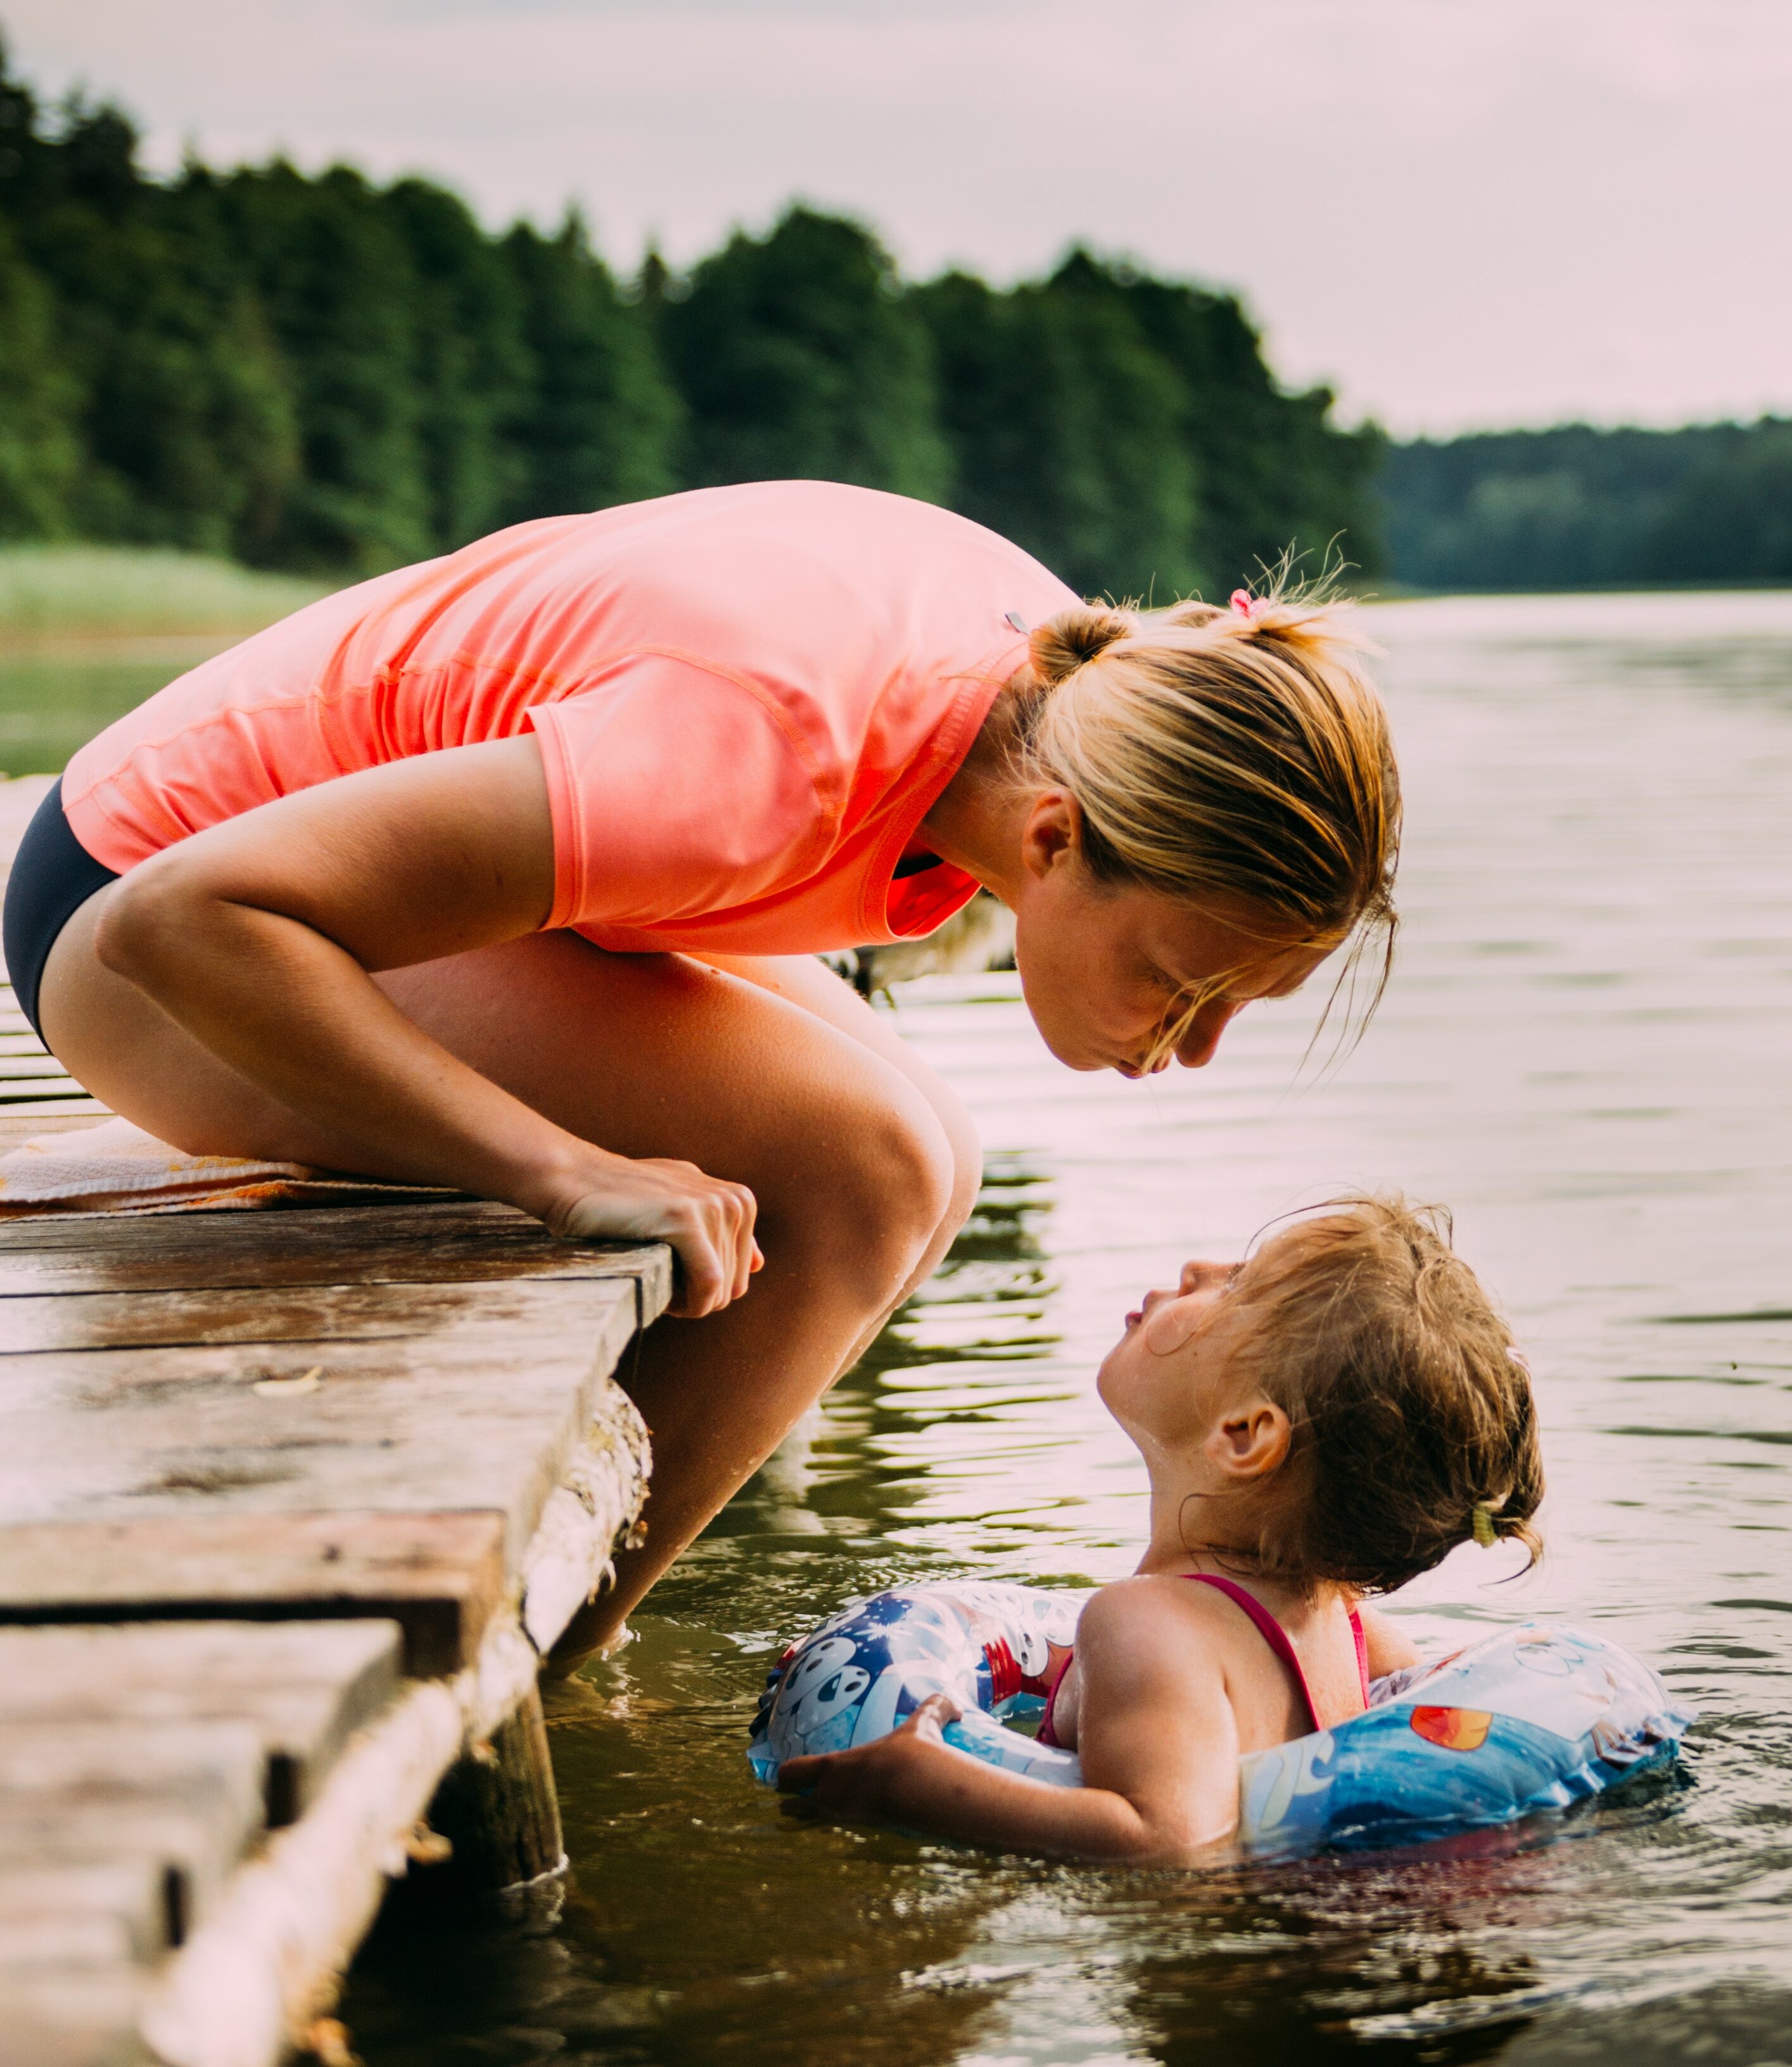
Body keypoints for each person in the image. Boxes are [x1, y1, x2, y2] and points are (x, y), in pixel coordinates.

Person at [1, 481, 1399, 1658]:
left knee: (937, 1149)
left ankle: (581, 1622)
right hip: (140, 935)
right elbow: (183, 917)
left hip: (300, 880)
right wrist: (555, 1171)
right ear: (1051, 841)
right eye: (1186, 980)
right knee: (871, 1168)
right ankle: (521, 1661)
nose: (1195, 1042)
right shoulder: (763, 758)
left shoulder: (1060, 687)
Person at [775, 1195, 1544, 1861]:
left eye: (1239, 1282)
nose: (1200, 1267)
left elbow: (1166, 1838)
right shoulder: (1350, 1630)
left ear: (1244, 1434)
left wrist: (918, 1783)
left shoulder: (1143, 1620)